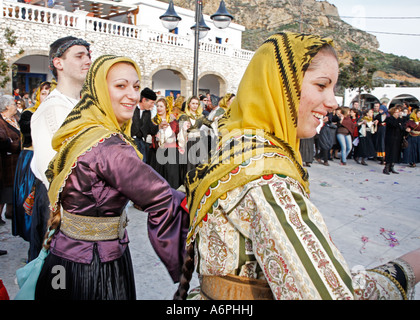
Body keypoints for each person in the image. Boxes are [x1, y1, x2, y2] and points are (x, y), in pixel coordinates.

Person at [173, 32, 419, 300]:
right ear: (281, 85)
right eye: (321, 85)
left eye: (334, 88)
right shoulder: (267, 177)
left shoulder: (232, 143)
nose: (333, 102)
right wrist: (405, 269)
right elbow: (328, 295)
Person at [34, 55, 188, 300]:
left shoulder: (83, 130)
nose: (133, 95)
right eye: (120, 86)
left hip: (61, 259)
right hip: (95, 268)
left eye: (136, 87)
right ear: (98, 90)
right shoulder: (111, 148)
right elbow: (165, 200)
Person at [29, 36, 91, 261]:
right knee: (58, 279)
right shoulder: (53, 107)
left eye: (88, 55)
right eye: (79, 56)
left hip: (79, 204)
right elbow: (55, 173)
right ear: (58, 63)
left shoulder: (80, 105)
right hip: (60, 204)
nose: (87, 61)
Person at [12, 82, 51, 244]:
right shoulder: (29, 114)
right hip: (30, 158)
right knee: (27, 197)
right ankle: (30, 235)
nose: (46, 97)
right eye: (43, 93)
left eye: (50, 94)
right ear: (37, 95)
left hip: (49, 161)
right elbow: (29, 133)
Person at [177, 96, 215, 179]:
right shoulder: (183, 116)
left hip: (199, 142)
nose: (195, 105)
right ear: (189, 104)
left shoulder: (200, 117)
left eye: (197, 104)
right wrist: (184, 128)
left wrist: (219, 121)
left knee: (201, 164)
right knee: (189, 165)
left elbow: (210, 124)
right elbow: (179, 131)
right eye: (193, 103)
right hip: (189, 142)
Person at [150, 97, 182, 189]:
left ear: (166, 108)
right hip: (156, 151)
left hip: (171, 151)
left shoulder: (173, 120)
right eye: (157, 106)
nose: (159, 108)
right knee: (157, 177)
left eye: (161, 106)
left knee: (171, 176)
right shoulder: (153, 120)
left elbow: (177, 134)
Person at [0, 95, 21, 223]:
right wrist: (15, 144)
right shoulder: (1, 121)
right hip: (6, 162)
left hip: (16, 160)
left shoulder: (15, 119)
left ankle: (10, 211)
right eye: (13, 104)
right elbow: (3, 141)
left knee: (13, 187)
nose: (15, 106)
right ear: (7, 106)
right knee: (4, 189)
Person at [130, 87, 158, 164]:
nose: (152, 105)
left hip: (141, 144)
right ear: (144, 100)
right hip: (129, 143)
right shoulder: (131, 108)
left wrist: (159, 126)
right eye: (151, 103)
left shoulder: (147, 113)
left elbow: (150, 129)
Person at [383, 106, 405, 175]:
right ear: (393, 113)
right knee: (390, 153)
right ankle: (386, 167)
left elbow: (402, 127)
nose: (398, 113)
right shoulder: (389, 119)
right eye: (397, 112)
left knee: (395, 153)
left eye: (399, 112)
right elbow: (394, 125)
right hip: (390, 139)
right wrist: (399, 121)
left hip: (398, 139)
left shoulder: (399, 120)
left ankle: (391, 167)